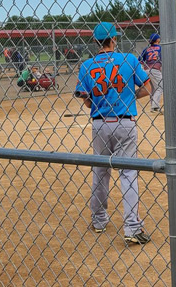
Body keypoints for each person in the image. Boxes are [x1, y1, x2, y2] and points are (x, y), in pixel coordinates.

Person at [75, 22, 152, 246]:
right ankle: (132, 227)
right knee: (128, 173)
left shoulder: (87, 65)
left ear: (96, 42)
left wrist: (101, 101)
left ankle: (99, 220)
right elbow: (148, 87)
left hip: (99, 124)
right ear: (114, 39)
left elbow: (86, 101)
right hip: (125, 122)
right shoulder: (128, 59)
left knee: (100, 172)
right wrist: (129, 97)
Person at [140, 33, 163, 113]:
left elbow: (140, 60)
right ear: (157, 40)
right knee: (160, 87)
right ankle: (155, 106)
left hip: (146, 70)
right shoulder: (160, 48)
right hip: (155, 69)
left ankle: (153, 106)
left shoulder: (147, 49)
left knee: (153, 88)